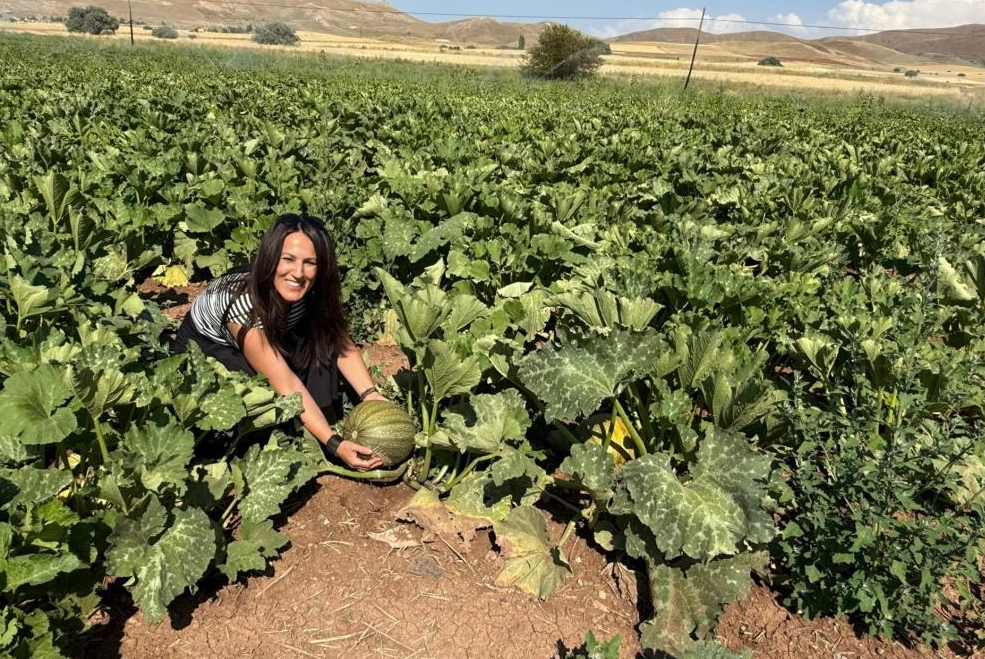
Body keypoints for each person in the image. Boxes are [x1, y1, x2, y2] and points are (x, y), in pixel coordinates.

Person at [172, 213, 386, 471]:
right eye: (288, 259)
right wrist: (334, 444)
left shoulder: (313, 291)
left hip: (274, 328)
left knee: (320, 344)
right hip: (208, 349)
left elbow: (338, 338)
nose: (298, 273)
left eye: (310, 263)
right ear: (271, 258)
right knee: (262, 390)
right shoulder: (244, 305)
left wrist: (371, 395)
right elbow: (285, 381)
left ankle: (314, 418)